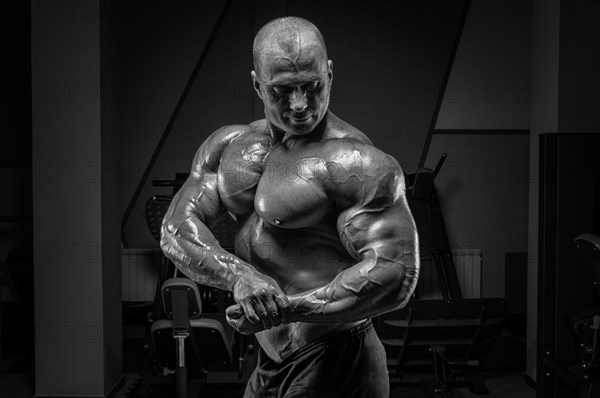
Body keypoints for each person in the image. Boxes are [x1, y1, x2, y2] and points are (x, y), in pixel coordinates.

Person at [161, 16, 419, 398]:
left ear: (329, 75)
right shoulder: (229, 145)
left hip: (336, 356)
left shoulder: (355, 162)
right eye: (282, 91)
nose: (299, 105)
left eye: (311, 86)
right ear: (257, 85)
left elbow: (396, 274)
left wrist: (287, 309)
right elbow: (175, 226)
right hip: (270, 359)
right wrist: (238, 277)